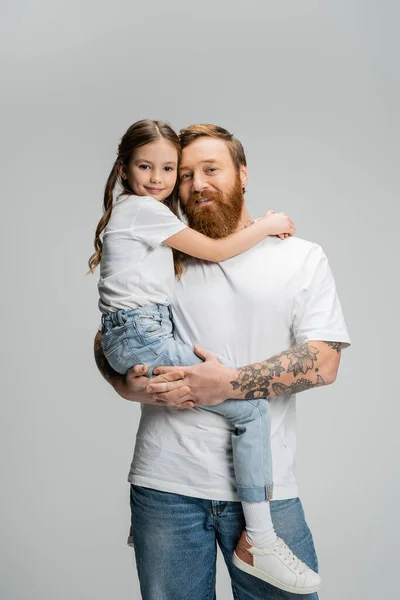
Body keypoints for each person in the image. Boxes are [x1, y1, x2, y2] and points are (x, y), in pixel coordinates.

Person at [94, 123, 351, 600]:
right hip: (165, 488)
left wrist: (229, 384)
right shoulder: (167, 252)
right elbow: (111, 331)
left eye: (210, 169)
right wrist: (123, 383)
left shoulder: (299, 257)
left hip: (266, 492)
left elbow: (323, 362)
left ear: (243, 174)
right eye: (185, 173)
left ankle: (261, 541)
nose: (196, 183)